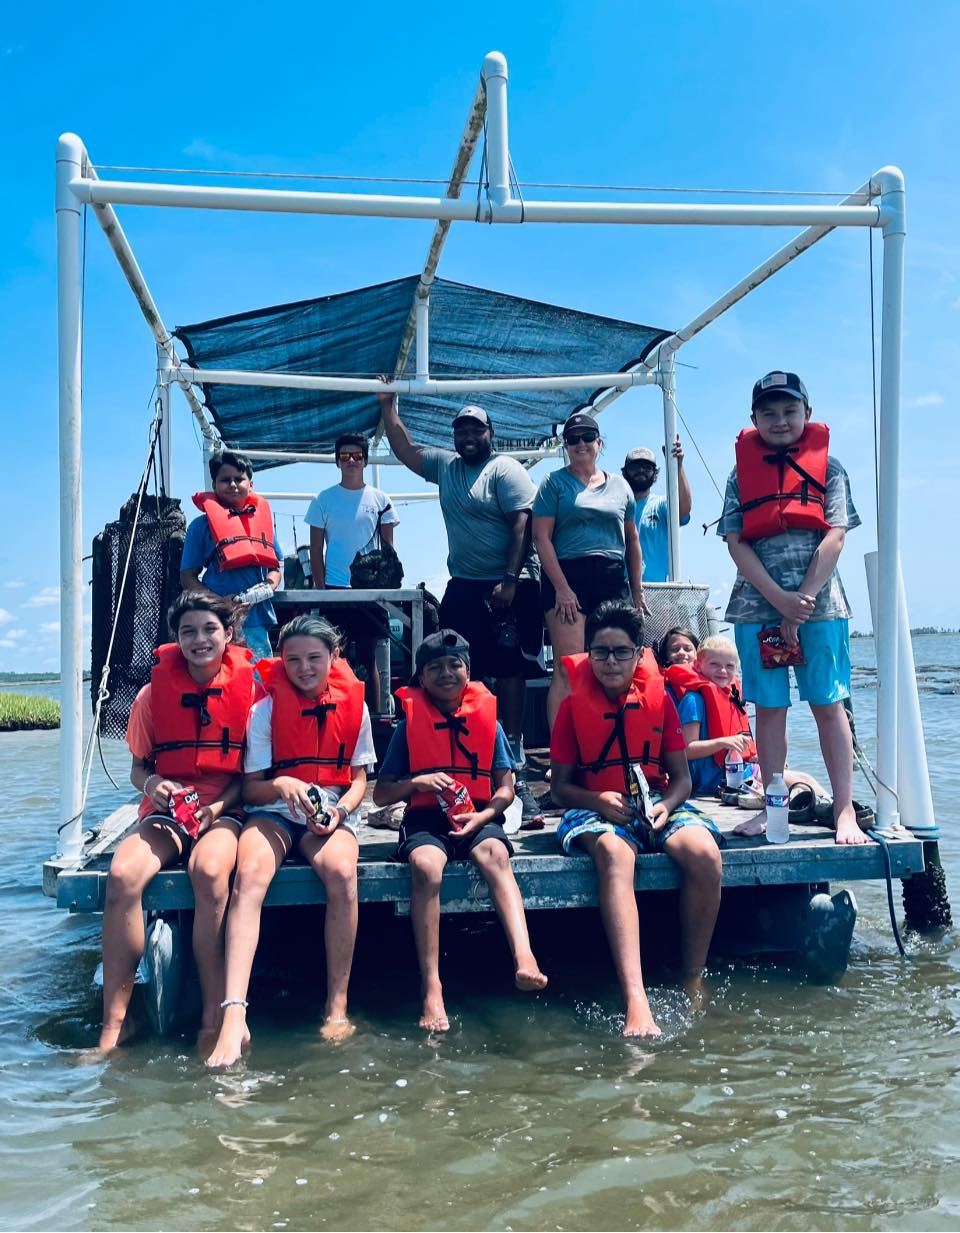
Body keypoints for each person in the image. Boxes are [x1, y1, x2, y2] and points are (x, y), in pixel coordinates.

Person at [207, 616, 374, 1067]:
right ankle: (234, 1014)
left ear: (334, 657)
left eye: (314, 658)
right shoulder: (264, 712)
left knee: (342, 872)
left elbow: (359, 781)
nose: (304, 668)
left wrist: (339, 812)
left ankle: (337, 1004)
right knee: (251, 875)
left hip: (329, 812)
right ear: (281, 661)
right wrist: (283, 785)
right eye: (293, 659)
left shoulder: (355, 708)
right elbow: (251, 788)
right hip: (274, 811)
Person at [549, 601, 723, 1033]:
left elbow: (681, 779)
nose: (611, 662)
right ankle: (635, 996)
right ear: (588, 654)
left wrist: (665, 806)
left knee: (705, 854)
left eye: (621, 652)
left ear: (637, 653)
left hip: (655, 803)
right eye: (601, 652)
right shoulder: (572, 708)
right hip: (594, 807)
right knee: (614, 854)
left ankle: (693, 975)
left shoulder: (659, 699)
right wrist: (597, 801)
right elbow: (559, 788)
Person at [378, 385, 544, 825]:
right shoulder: (446, 467)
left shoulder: (504, 469)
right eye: (461, 429)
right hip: (466, 583)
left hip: (510, 581)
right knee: (460, 660)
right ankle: (472, 740)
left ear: (490, 433)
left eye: (476, 428)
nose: (468, 435)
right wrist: (387, 405)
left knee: (509, 668)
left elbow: (522, 526)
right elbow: (404, 449)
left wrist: (510, 580)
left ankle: (513, 748)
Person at [99, 592, 256, 1051]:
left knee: (209, 872)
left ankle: (212, 1014)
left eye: (209, 629)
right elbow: (137, 770)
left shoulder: (252, 693)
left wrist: (216, 809)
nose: (199, 639)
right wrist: (155, 789)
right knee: (123, 876)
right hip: (166, 813)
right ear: (176, 639)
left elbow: (252, 777)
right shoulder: (152, 696)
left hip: (227, 809)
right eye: (188, 631)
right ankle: (115, 1022)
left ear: (228, 634)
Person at [718, 370, 867, 845]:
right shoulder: (740, 474)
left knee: (828, 704)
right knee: (770, 708)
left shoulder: (832, 468)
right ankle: (771, 805)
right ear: (754, 419)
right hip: (758, 605)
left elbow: (836, 536)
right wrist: (779, 600)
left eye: (789, 411)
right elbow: (736, 543)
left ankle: (844, 810)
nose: (779, 421)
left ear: (807, 412)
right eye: (769, 413)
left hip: (820, 608)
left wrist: (799, 602)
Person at [371, 630, 548, 1031]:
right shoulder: (407, 728)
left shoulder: (490, 722)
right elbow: (382, 794)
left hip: (478, 814)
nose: (446, 673)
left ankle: (525, 956)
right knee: (426, 866)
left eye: (455, 665)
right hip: (426, 820)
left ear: (469, 672)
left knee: (495, 855)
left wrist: (486, 817)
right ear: (420, 677)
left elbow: (506, 787)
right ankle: (432, 987)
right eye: (435, 667)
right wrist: (417, 782)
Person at [532, 412, 645, 730]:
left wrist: (636, 590)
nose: (580, 444)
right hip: (567, 576)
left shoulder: (621, 485)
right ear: (565, 446)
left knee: (619, 664)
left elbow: (632, 540)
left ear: (599, 443)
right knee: (570, 669)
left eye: (586, 437)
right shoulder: (553, 484)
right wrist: (563, 589)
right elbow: (541, 538)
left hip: (612, 577)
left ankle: (614, 742)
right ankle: (561, 752)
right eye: (573, 439)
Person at [305, 431, 400, 709]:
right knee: (334, 657)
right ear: (337, 461)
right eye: (345, 456)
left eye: (357, 456)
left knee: (369, 656)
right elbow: (315, 550)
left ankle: (374, 717)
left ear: (365, 461)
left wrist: (382, 589)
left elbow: (388, 552)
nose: (351, 461)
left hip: (370, 592)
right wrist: (322, 591)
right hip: (334, 591)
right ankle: (337, 714)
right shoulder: (323, 499)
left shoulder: (381, 500)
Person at [180, 450, 283, 663]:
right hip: (215, 620)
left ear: (251, 484)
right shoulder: (200, 527)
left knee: (259, 678)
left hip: (256, 618)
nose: (233, 485)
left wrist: (264, 589)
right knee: (221, 676)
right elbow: (187, 577)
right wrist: (218, 602)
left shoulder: (264, 523)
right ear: (215, 485)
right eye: (225, 480)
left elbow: (275, 568)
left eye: (239, 479)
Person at [622, 437, 692, 582]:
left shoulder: (661, 505)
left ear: (655, 474)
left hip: (659, 593)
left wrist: (677, 466)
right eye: (635, 466)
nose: (641, 470)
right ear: (624, 472)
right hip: (621, 590)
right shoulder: (616, 508)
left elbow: (683, 510)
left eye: (647, 467)